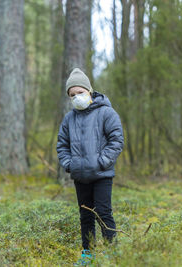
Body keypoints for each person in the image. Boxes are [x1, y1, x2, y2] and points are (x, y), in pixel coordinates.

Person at [56, 68, 124, 264]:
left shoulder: (106, 113)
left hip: (102, 175)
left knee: (103, 213)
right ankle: (88, 254)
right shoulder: (69, 119)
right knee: (85, 216)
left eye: (80, 92)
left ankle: (112, 254)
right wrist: (70, 165)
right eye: (72, 95)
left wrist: (102, 162)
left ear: (89, 91)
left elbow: (116, 140)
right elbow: (62, 145)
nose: (77, 97)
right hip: (80, 176)